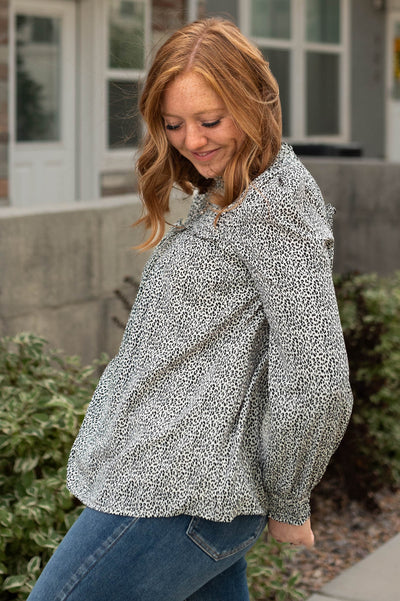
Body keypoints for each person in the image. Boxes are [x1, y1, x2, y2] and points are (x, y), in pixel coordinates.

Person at [27, 17, 353, 601]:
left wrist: (289, 497)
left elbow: (316, 376)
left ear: (256, 102)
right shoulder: (231, 193)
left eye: (210, 120)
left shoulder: (273, 209)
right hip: (184, 490)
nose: (192, 141)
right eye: (174, 124)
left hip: (180, 493)